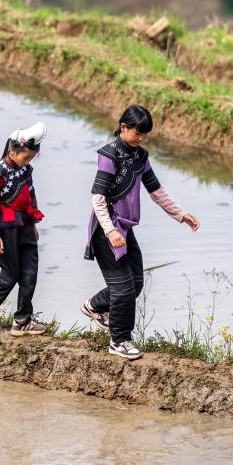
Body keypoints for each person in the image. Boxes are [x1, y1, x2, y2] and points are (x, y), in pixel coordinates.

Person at [81, 105, 200, 360]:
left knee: (135, 282)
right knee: (123, 288)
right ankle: (119, 341)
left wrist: (181, 214)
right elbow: (98, 198)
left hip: (125, 229)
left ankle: (95, 306)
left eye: (145, 133)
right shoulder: (109, 155)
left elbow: (156, 191)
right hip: (107, 231)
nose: (142, 137)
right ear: (123, 127)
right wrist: (110, 231)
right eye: (138, 132)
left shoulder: (140, 157)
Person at [0, 122, 49, 336]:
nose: (28, 162)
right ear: (13, 151)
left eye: (31, 158)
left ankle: (22, 320)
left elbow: (31, 194)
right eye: (26, 157)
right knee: (10, 274)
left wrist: (33, 224)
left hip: (25, 224)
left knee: (30, 273)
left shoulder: (26, 170)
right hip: (6, 228)